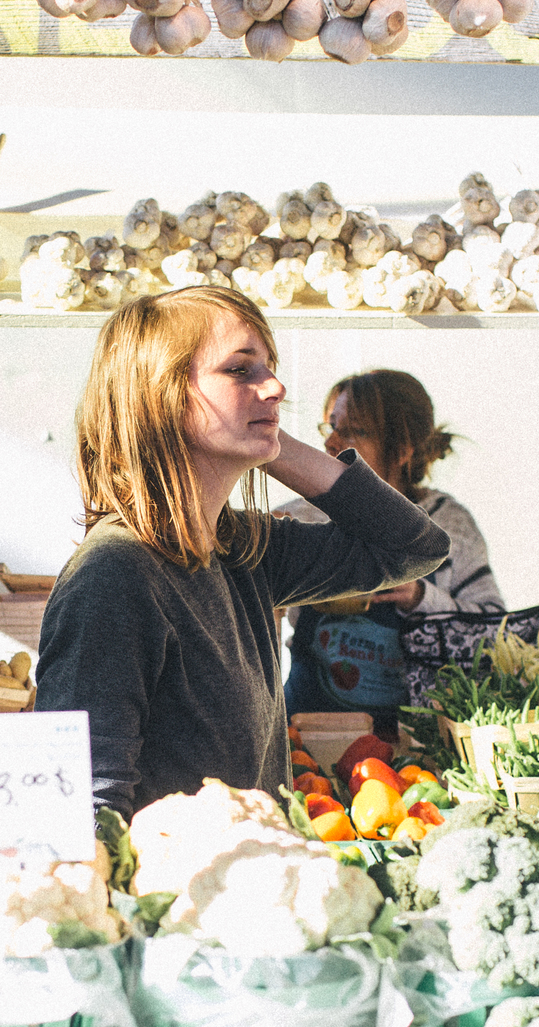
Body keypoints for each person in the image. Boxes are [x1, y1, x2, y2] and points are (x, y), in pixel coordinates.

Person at [36, 286, 451, 813]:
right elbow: (84, 806)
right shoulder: (114, 574)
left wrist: (270, 443)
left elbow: (414, 547)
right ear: (159, 396)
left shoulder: (246, 550)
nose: (276, 386)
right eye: (241, 370)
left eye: (271, 368)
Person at [284, 368, 504, 736]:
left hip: (412, 741)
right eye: (331, 427)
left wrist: (422, 597)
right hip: (308, 727)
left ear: (402, 450)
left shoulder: (449, 525)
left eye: (352, 431)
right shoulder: (301, 515)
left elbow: (496, 635)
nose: (331, 442)